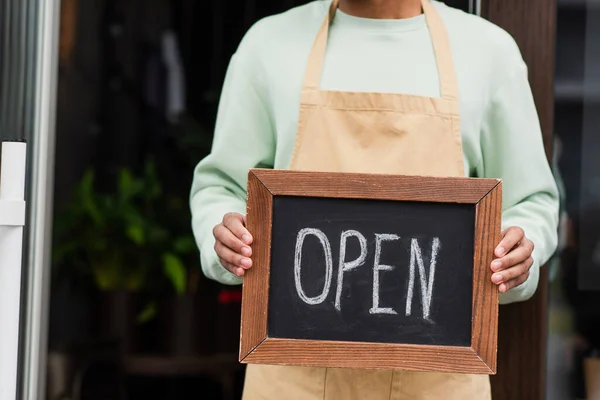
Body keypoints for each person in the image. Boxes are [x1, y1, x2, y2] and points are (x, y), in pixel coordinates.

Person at [190, 0, 560, 398]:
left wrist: (519, 250)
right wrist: (225, 234)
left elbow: (530, 201)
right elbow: (222, 188)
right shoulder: (268, 45)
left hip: (439, 381)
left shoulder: (488, 52)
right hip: (294, 379)